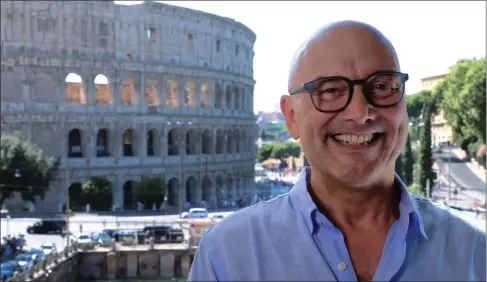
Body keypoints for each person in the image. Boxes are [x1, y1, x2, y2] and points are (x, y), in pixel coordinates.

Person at [188, 21, 486, 281]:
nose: (360, 112)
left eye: (382, 85)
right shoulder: (225, 256)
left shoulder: (476, 250)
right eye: (330, 90)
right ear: (291, 117)